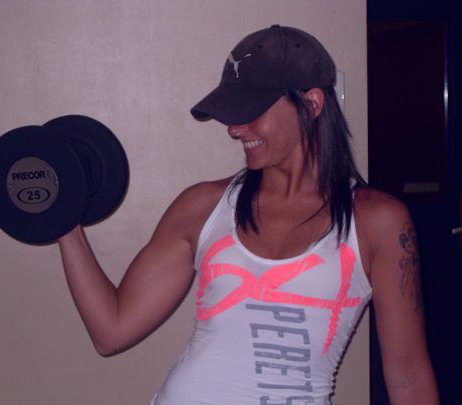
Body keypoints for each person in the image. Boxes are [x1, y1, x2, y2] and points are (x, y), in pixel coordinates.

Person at [58, 25, 439, 404]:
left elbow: (408, 377)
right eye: (231, 113)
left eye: (250, 111)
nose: (234, 129)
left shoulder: (376, 222)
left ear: (312, 103)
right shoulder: (202, 207)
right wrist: (62, 215)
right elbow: (112, 332)